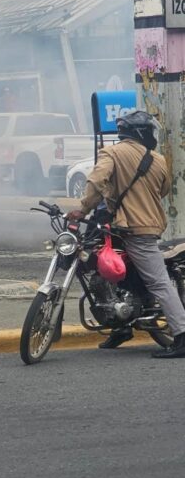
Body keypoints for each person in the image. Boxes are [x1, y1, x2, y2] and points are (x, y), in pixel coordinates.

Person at [68, 110, 185, 359]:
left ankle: (182, 335)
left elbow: (97, 181)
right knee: (104, 271)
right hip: (139, 226)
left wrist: (82, 208)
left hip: (131, 229)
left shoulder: (111, 153)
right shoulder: (158, 159)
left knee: (158, 282)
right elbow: (163, 189)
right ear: (143, 133)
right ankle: (120, 326)